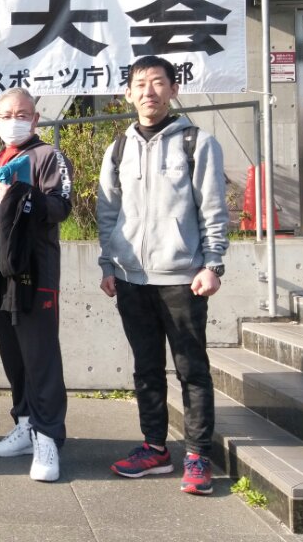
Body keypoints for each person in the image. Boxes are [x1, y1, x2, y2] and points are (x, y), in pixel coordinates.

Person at [96, 55, 228, 496]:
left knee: (192, 370)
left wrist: (212, 265)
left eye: (157, 82)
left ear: (173, 89)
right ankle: (155, 448)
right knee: (146, 369)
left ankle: (197, 455)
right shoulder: (118, 148)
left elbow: (213, 209)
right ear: (128, 94)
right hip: (131, 279)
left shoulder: (197, 143)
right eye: (140, 84)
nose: (148, 91)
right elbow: (108, 213)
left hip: (182, 278)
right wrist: (108, 265)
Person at [0, 87, 74, 482]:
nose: (14, 121)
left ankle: (48, 436)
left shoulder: (48, 156)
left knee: (41, 358)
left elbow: (60, 206)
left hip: (35, 274)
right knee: (14, 357)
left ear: (36, 118)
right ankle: (25, 424)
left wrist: (24, 192)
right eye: (6, 115)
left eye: (22, 114)